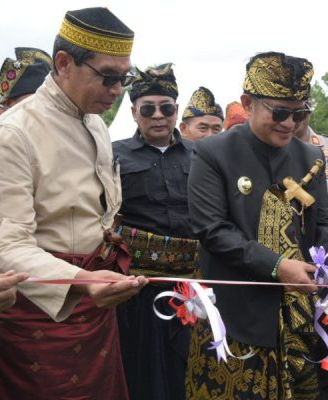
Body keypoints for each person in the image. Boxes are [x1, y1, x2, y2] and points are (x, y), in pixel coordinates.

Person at [0, 7, 147, 399]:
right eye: (108, 77)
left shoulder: (94, 123)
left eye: (125, 78)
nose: (117, 91)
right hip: (38, 312)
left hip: (96, 305)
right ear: (63, 63)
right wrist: (82, 281)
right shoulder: (13, 133)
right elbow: (5, 245)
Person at [185, 51, 328, 400]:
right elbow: (212, 230)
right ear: (248, 103)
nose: (289, 123)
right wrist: (277, 266)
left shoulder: (309, 156)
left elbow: (325, 224)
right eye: (279, 112)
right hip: (237, 316)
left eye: (298, 113)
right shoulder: (212, 153)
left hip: (300, 316)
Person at [113, 63, 197, 400]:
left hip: (196, 285)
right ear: (134, 112)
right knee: (145, 373)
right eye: (148, 109)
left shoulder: (201, 154)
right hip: (140, 286)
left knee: (192, 368)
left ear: (177, 111)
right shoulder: (113, 154)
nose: (158, 116)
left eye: (166, 108)